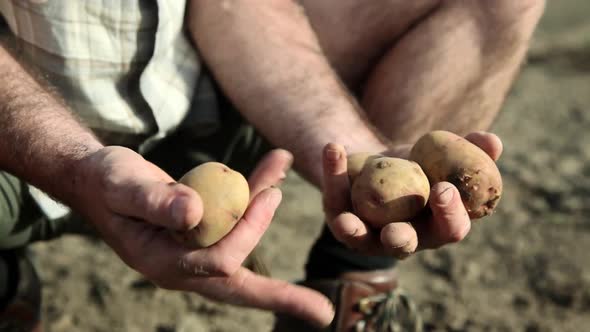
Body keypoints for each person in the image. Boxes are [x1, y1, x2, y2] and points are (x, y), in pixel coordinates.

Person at [0, 1, 545, 331]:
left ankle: (350, 275)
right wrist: (72, 163)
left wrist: (360, 154)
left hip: (191, 103)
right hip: (15, 157)